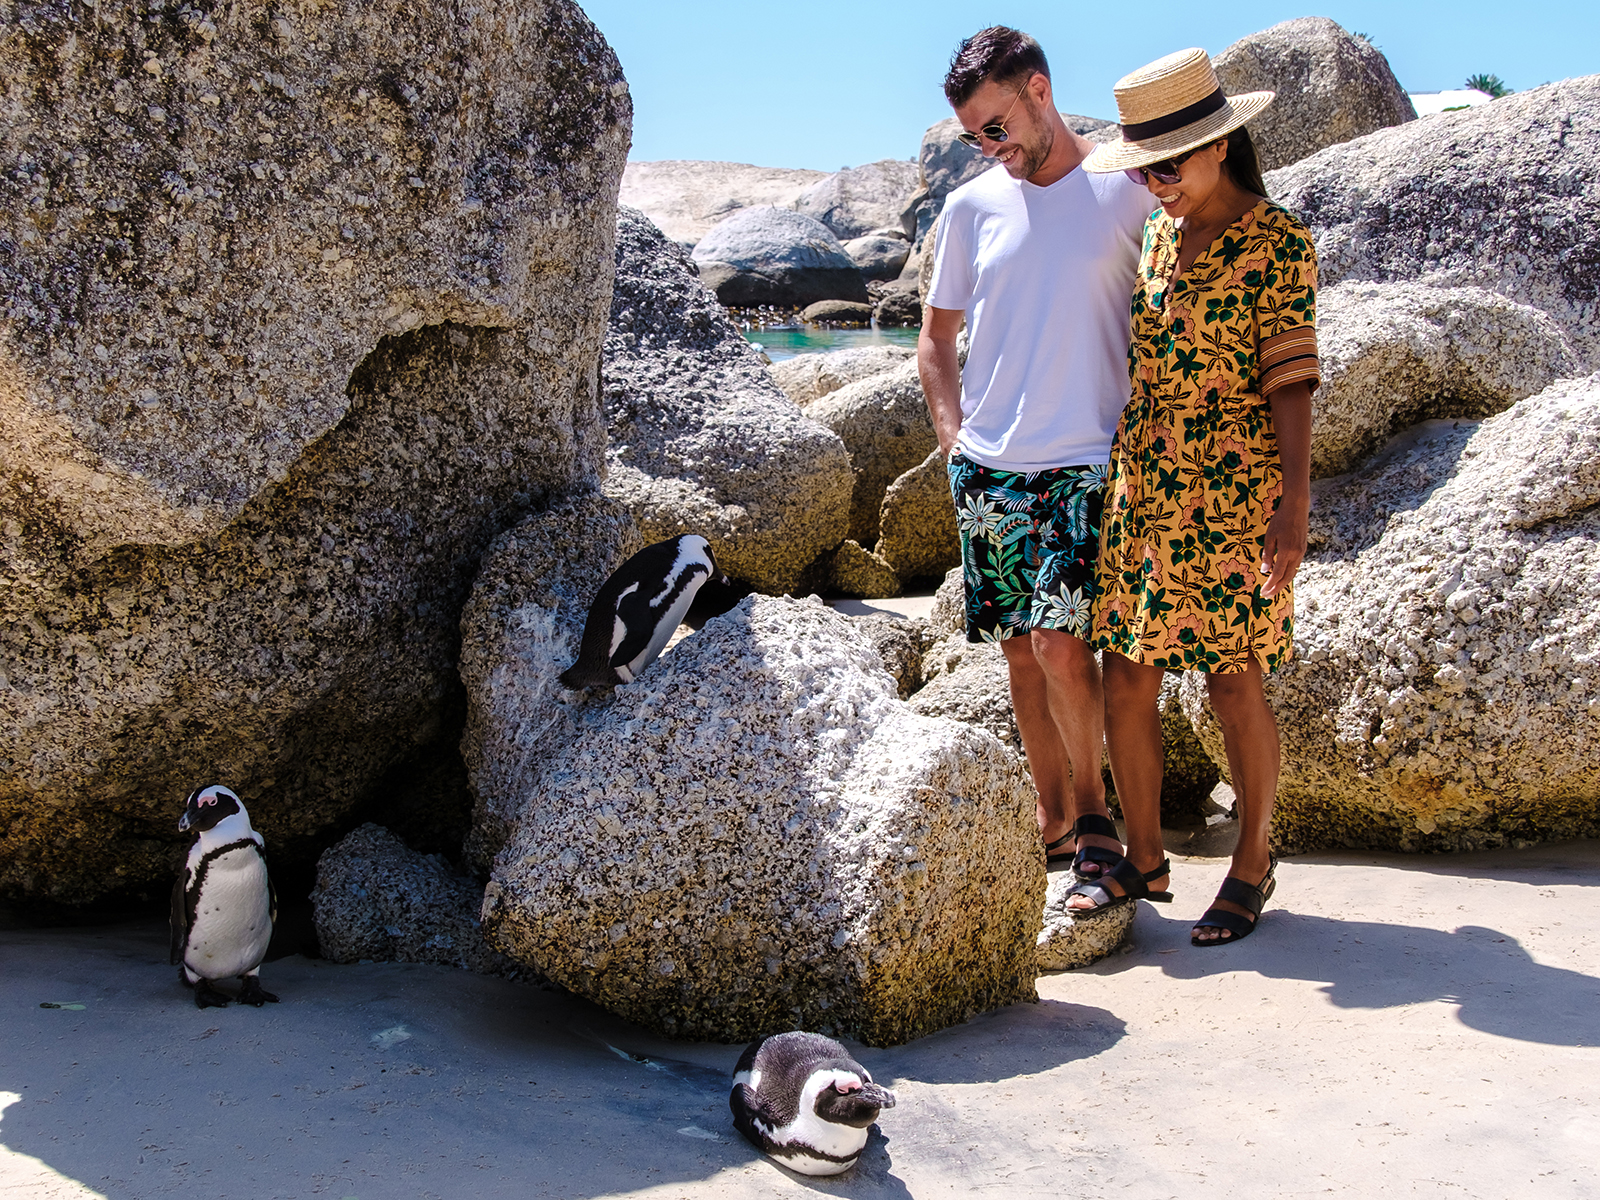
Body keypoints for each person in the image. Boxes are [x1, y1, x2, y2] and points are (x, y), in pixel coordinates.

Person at [1069, 48, 1320, 946]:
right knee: (1126, 673)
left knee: (1231, 676)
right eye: (1144, 168)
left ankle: (1252, 858)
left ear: (1220, 146)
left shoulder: (1276, 240)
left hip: (1235, 488)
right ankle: (1144, 856)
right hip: (1146, 485)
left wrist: (1291, 504)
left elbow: (1291, 380)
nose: (1156, 182)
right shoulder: (1164, 235)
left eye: (1168, 165)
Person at [918, 27, 1153, 879]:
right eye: (974, 136)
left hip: (1094, 458)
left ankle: (1095, 820)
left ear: (1040, 91)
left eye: (996, 125)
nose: (989, 147)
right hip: (992, 468)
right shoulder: (971, 208)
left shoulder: (1128, 188)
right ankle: (1054, 822)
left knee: (1061, 644)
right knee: (1021, 650)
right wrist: (954, 443)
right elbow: (936, 340)